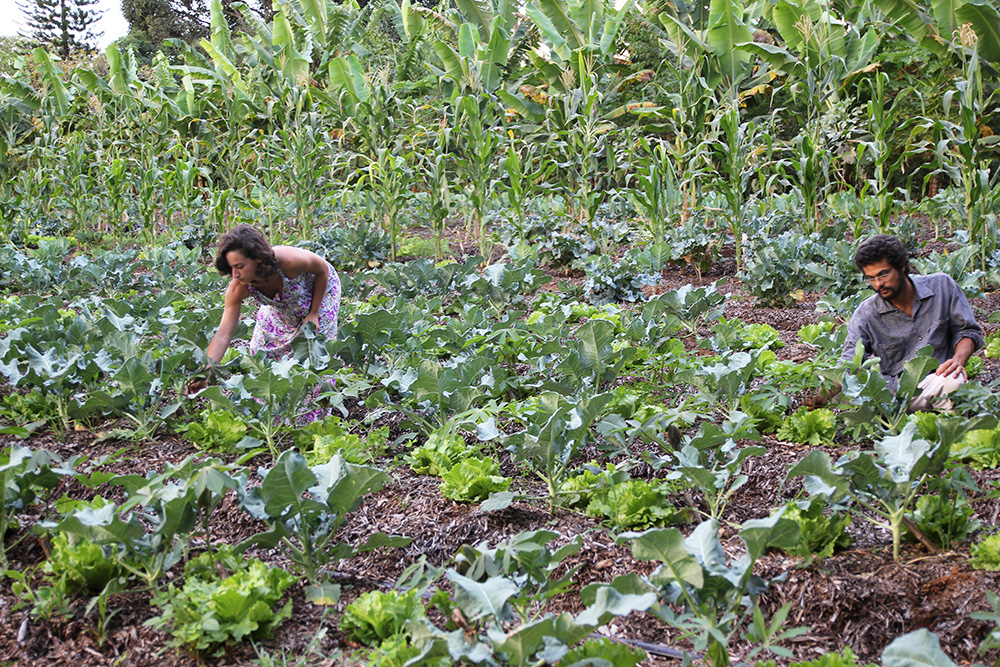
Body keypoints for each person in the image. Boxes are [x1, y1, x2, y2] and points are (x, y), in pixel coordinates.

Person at [811, 234, 983, 411]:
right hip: (891, 396)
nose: (878, 284)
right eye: (871, 278)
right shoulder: (867, 313)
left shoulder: (941, 286)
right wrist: (822, 394)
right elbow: (849, 362)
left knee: (952, 382)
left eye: (883, 274)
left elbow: (967, 332)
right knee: (831, 386)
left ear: (902, 267)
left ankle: (946, 426)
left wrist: (957, 360)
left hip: (934, 383)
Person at [188, 224, 341, 395]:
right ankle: (274, 406)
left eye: (239, 266)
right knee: (260, 350)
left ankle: (316, 408)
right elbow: (223, 334)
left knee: (315, 353)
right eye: (231, 268)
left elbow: (322, 270)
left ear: (258, 258)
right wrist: (205, 372)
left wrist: (313, 313)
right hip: (283, 303)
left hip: (321, 292)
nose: (235, 274)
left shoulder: (289, 261)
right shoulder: (238, 287)